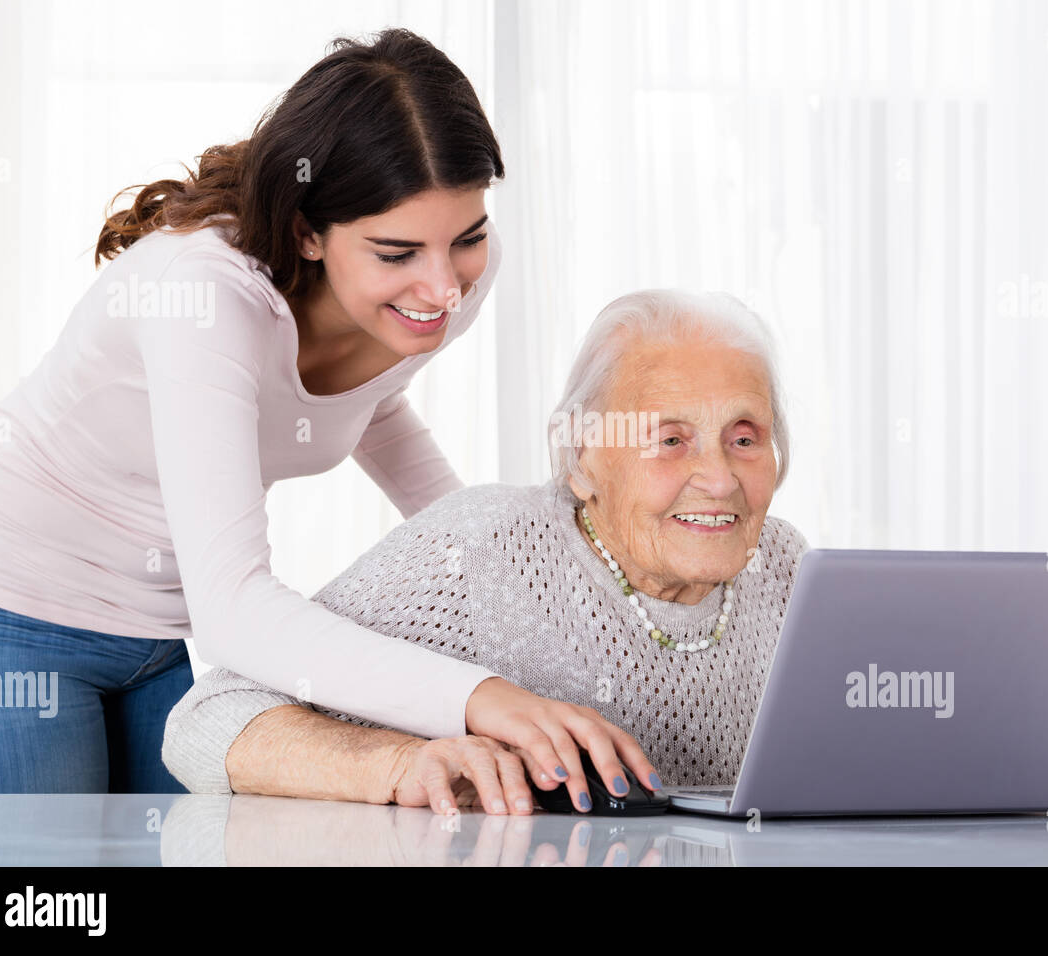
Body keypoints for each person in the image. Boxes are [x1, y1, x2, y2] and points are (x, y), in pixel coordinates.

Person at [0, 28, 640, 793]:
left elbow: (369, 404)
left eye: (469, 237)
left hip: (155, 636)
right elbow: (235, 609)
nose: (444, 287)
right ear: (306, 232)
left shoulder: (443, 284)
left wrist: (502, 565)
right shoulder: (206, 298)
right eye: (396, 252)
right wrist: (479, 697)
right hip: (1, 606)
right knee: (47, 900)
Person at [163, 289, 810, 814]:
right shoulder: (484, 552)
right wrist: (399, 763)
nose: (720, 478)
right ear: (583, 458)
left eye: (745, 438)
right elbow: (208, 719)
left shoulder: (789, 569)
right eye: (671, 439)